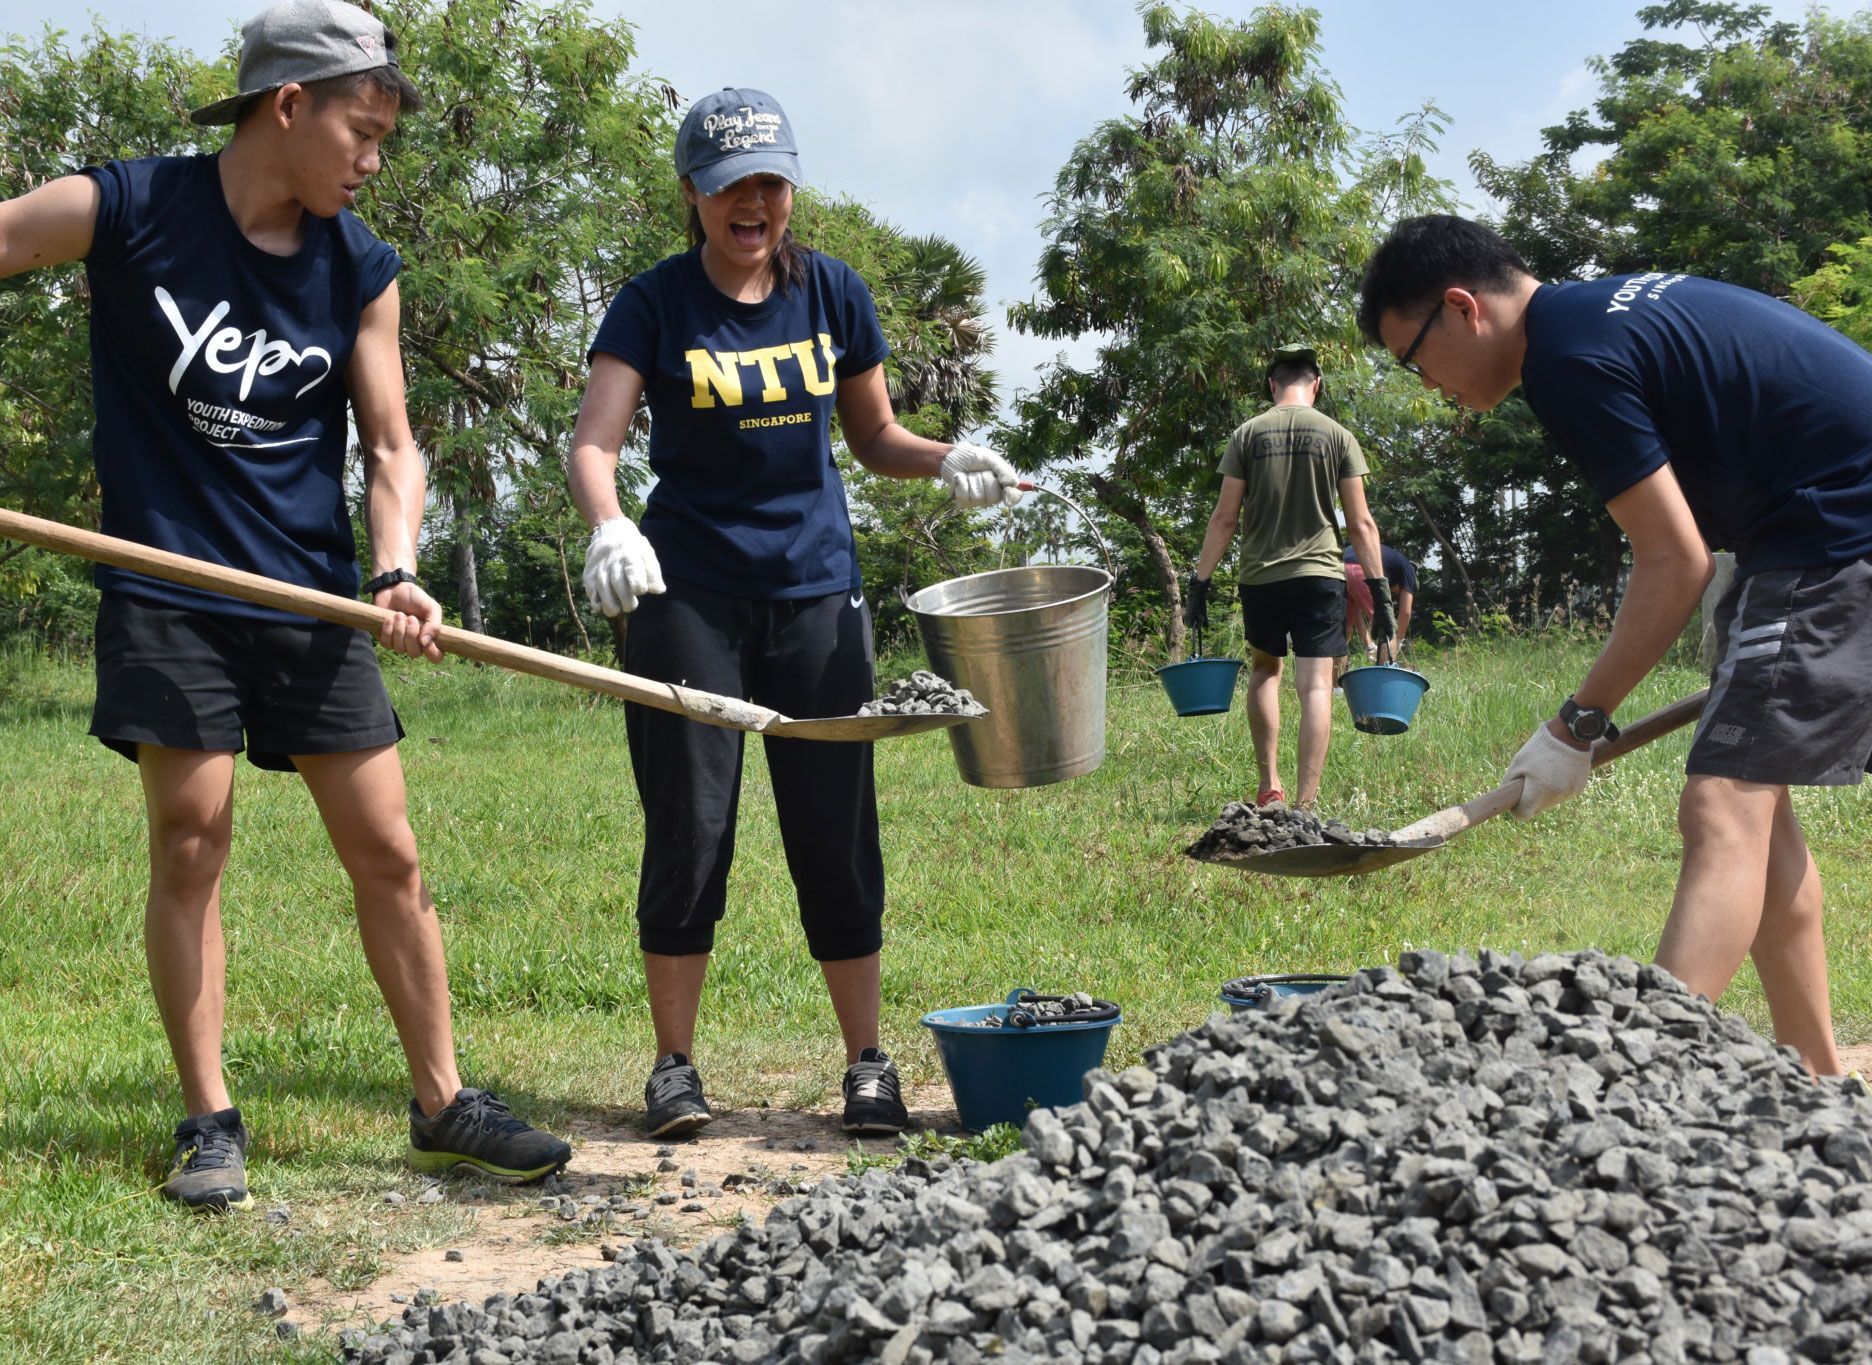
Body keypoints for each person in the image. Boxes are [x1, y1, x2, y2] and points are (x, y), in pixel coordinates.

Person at [0, 0, 569, 1211]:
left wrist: (398, 567)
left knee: (389, 850)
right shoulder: (129, 206)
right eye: (361, 132)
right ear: (288, 105)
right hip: (168, 583)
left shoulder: (357, 265)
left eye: (384, 141)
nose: (372, 161)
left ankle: (441, 1101)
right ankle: (209, 1120)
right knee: (191, 842)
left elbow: (393, 441)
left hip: (310, 596)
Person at [566, 88, 1026, 1139]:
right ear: (693, 192)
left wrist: (946, 455)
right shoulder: (653, 304)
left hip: (817, 593)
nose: (753, 202)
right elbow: (595, 441)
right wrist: (609, 524)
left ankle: (867, 1063)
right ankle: (675, 1067)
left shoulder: (832, 292)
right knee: (690, 826)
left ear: (790, 190)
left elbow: (874, 438)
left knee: (835, 825)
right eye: (731, 184)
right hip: (688, 599)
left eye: (771, 182)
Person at [1358, 213, 1872, 1079]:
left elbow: (1675, 562)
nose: (1428, 386)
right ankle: (1819, 1074)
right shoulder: (1595, 316)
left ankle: (1647, 1082)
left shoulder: (1570, 362)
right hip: (1810, 533)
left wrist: (1577, 722)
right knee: (1758, 816)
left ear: (1460, 307)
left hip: (1837, 534)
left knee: (1722, 805)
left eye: (1415, 359)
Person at [1185, 344, 1395, 808]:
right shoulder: (1337, 435)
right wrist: (1380, 594)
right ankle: (1305, 804)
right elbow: (1362, 524)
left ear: (1272, 384)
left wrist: (1199, 584)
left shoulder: (1247, 435)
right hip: (1321, 575)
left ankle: (1269, 788)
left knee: (1265, 671)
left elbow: (1224, 519)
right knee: (1317, 685)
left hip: (1261, 576)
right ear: (1316, 384)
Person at [1344, 542, 1417, 654]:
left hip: (1340, 566)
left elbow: (1356, 613)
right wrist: (1398, 640)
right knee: (1386, 626)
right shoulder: (1409, 569)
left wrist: (1369, 645)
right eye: (1398, 591)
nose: (1396, 592)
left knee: (1344, 627)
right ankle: (1387, 669)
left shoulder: (1391, 563)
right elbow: (1405, 612)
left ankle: (1336, 669)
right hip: (1362, 568)